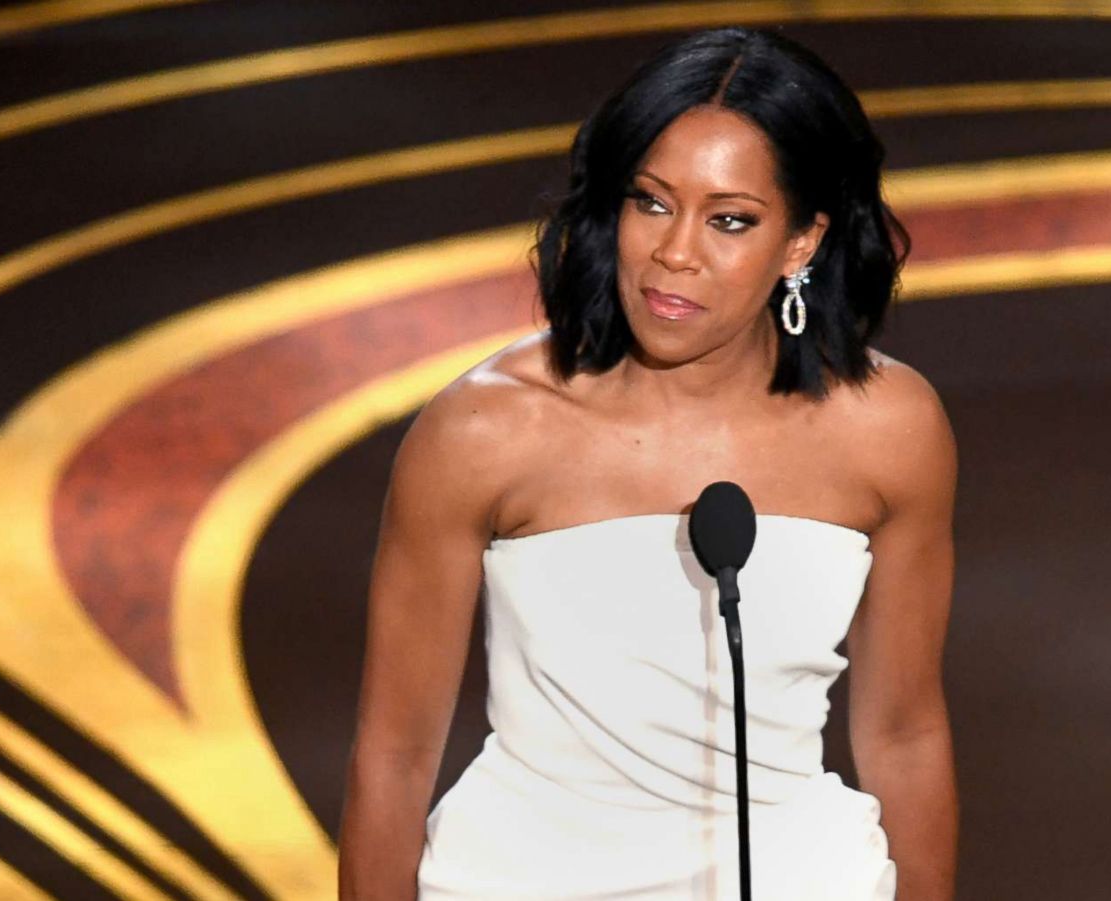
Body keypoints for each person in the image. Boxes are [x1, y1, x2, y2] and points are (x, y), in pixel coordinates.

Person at [338, 25, 958, 900]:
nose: (676, 252)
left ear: (801, 243)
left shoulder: (890, 429)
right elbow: (395, 756)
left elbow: (904, 733)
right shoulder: (483, 430)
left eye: (731, 220)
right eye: (652, 202)